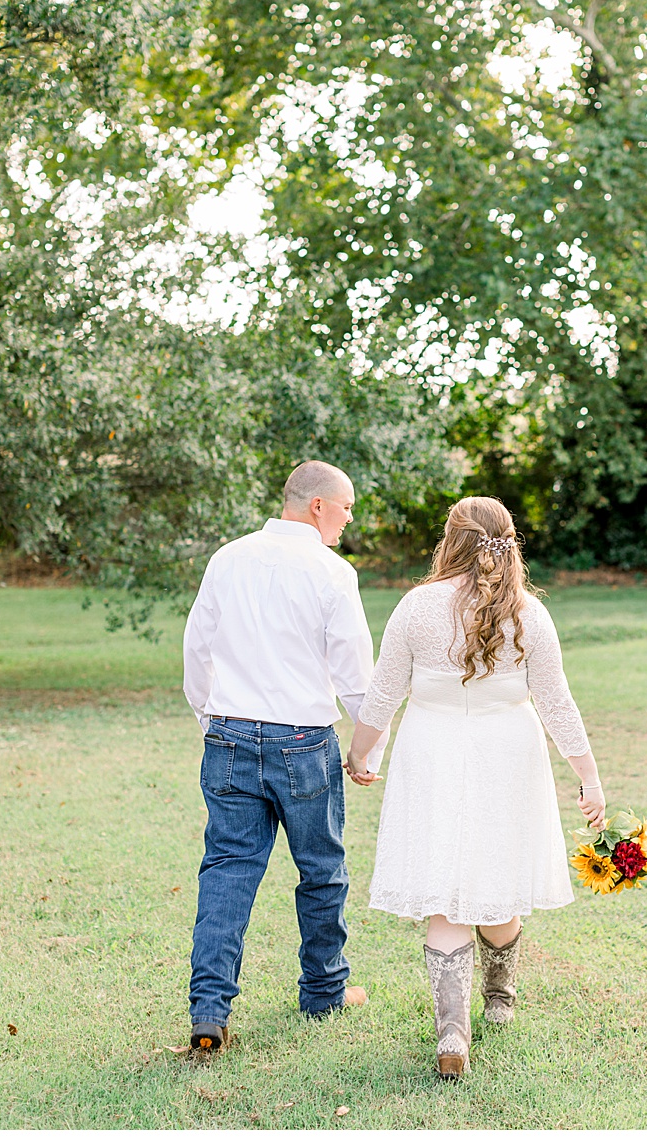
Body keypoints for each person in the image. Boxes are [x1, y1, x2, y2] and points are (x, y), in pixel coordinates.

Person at [344, 496, 604, 1080]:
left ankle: (452, 1032)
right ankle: (500, 993)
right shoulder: (529, 614)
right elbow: (556, 701)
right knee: (499, 881)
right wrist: (588, 777)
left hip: (431, 751)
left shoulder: (415, 607)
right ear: (508, 542)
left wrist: (359, 755)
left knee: (446, 891)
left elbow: (383, 695)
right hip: (508, 751)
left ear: (450, 541)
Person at [182, 460, 383, 1054]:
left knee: (227, 870)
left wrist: (209, 720)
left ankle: (209, 1009)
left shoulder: (228, 557)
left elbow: (198, 649)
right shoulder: (332, 572)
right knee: (321, 870)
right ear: (318, 505)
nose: (350, 517)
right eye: (346, 506)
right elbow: (354, 674)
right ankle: (323, 990)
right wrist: (367, 751)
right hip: (303, 742)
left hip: (230, 735)